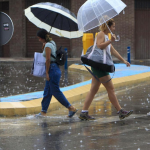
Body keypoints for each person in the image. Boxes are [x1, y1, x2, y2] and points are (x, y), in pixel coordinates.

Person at [79, 19, 133, 120]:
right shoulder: (101, 34)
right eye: (113, 26)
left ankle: (84, 112)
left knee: (93, 90)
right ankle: (120, 111)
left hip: (99, 66)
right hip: (100, 66)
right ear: (108, 26)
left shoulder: (107, 36)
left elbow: (112, 50)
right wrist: (110, 41)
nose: (114, 28)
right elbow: (99, 45)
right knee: (111, 88)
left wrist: (124, 61)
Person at [35, 29, 77, 117]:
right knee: (47, 91)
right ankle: (43, 111)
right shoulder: (52, 43)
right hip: (55, 68)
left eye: (39, 38)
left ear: (43, 37)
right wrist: (44, 45)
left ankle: (71, 108)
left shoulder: (48, 45)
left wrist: (46, 73)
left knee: (55, 91)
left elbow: (47, 59)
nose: (39, 40)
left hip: (52, 70)